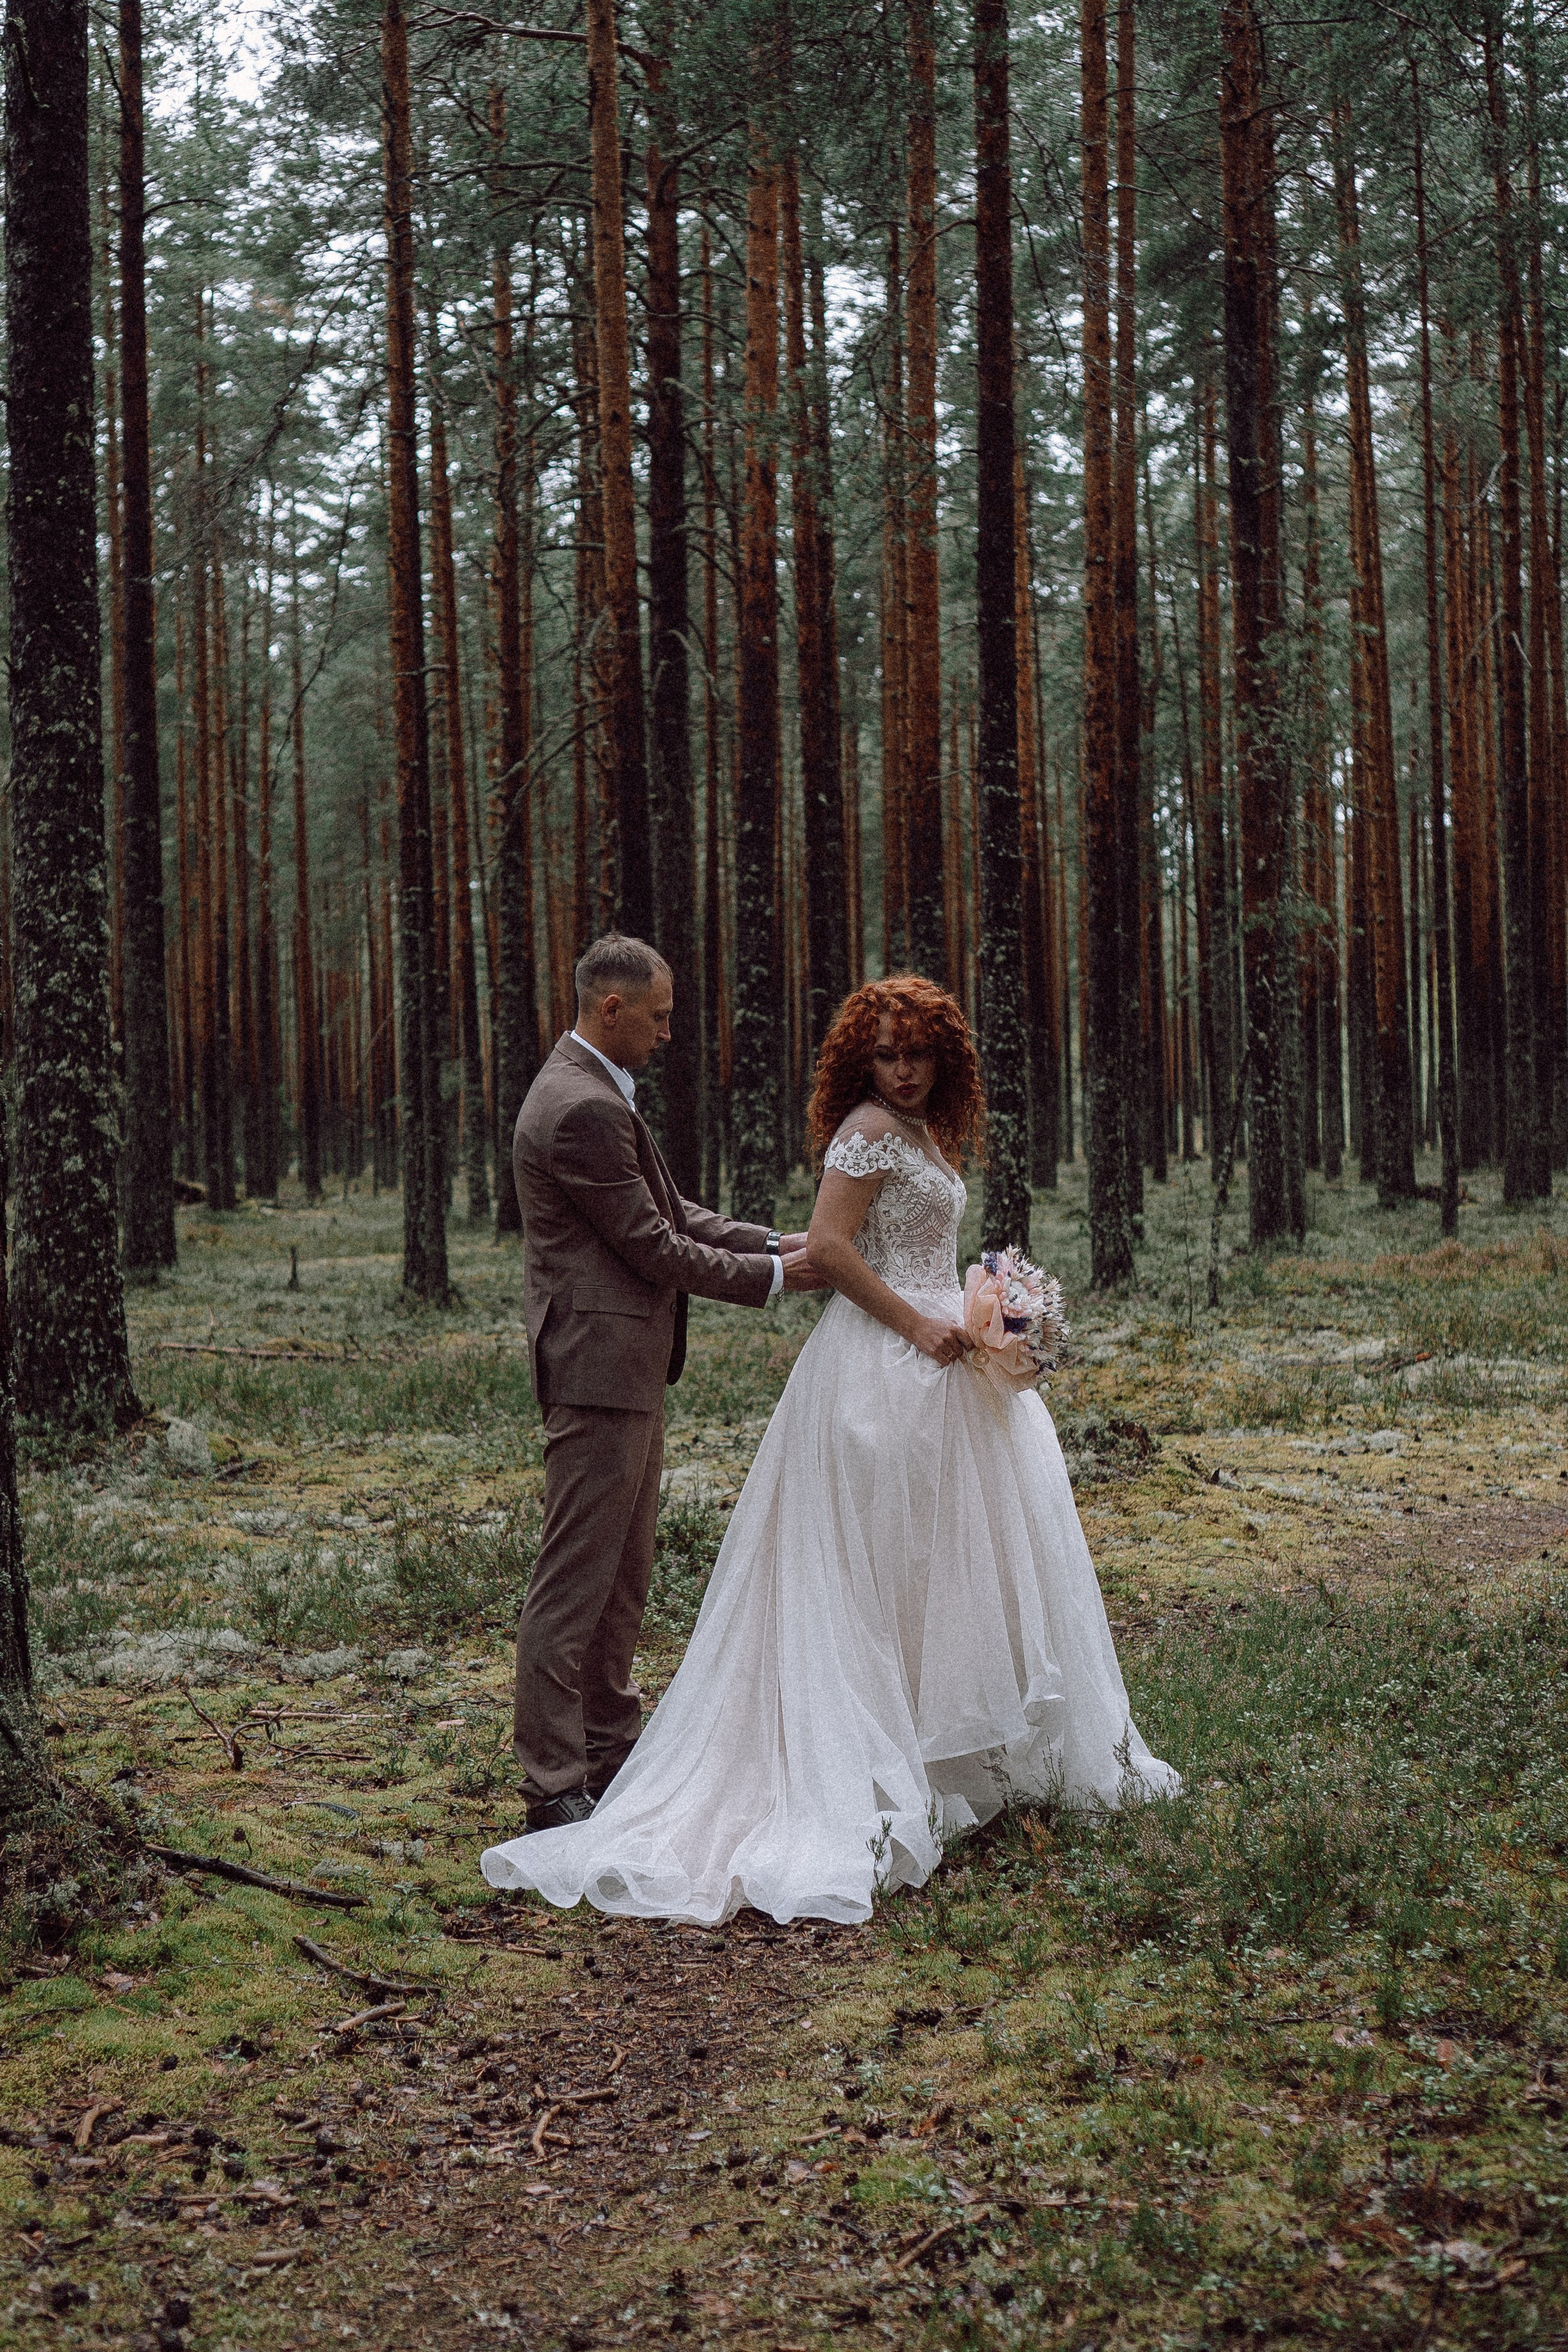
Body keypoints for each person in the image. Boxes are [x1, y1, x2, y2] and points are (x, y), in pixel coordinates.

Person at [483, 973, 1178, 1920]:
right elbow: (757, 1242)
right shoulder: (829, 1127)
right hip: (847, 1364)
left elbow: (700, 1219)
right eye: (886, 1055)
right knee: (616, 1574)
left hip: (931, 1360)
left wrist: (969, 1303)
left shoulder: (921, 1131)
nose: (903, 1070)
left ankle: (927, 1753)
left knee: (925, 1565)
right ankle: (563, 1778)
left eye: (918, 1054)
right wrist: (833, 1288)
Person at [508, 933, 821, 1831]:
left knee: (623, 1577)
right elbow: (653, 1246)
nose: (669, 1032)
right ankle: (553, 1784)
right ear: (612, 1009)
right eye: (659, 1016)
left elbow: (675, 1213)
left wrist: (780, 1241)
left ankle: (610, 1754)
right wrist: (778, 1277)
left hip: (621, 1370)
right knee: (576, 1580)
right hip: (597, 1371)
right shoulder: (582, 1107)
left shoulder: (592, 1088)